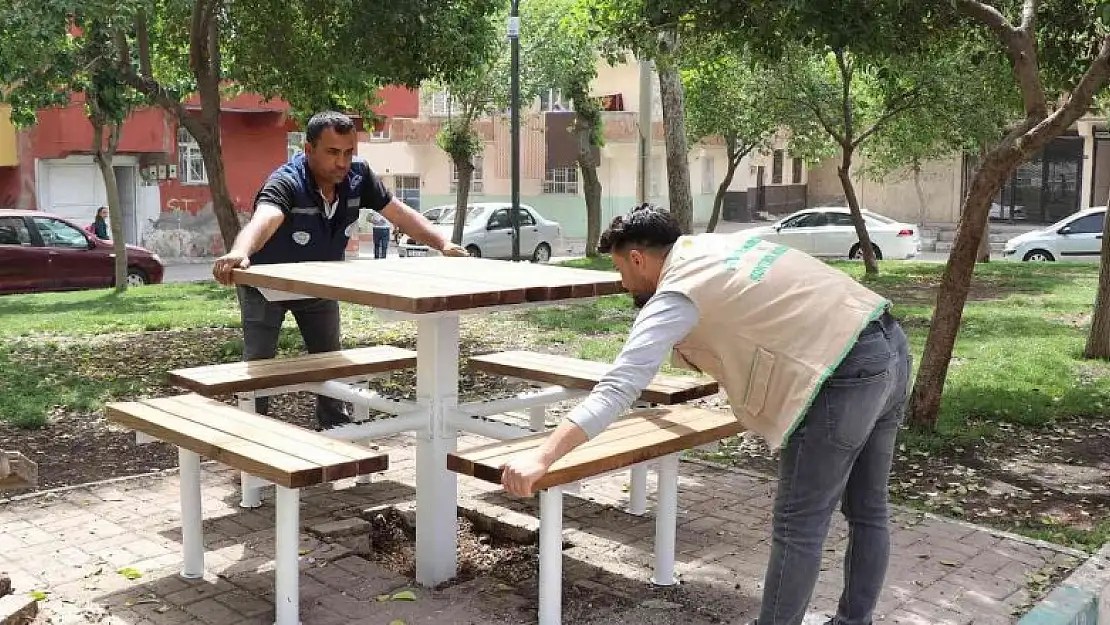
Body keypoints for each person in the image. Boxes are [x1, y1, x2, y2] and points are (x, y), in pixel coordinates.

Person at [500, 205, 912, 625]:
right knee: (868, 510)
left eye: (619, 267)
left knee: (798, 526)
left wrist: (543, 456)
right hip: (889, 341)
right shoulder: (714, 247)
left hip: (841, 374)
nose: (622, 281)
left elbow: (619, 386)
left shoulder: (679, 291)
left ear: (638, 259)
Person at [212, 111, 467, 429]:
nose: (342, 162)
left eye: (349, 152)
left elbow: (398, 213)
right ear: (308, 150)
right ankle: (251, 442)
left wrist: (442, 242)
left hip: (319, 285)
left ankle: (337, 430)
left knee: (331, 358)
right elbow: (266, 217)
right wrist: (239, 252)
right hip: (266, 284)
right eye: (332, 152)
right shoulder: (288, 181)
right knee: (260, 365)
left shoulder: (358, 177)